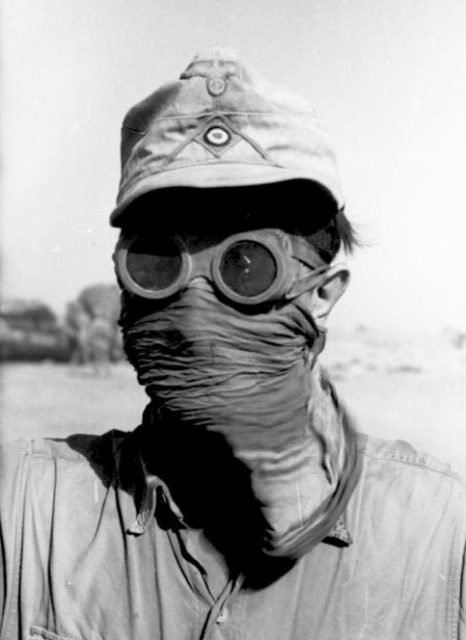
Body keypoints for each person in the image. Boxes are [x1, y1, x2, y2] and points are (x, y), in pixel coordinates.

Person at [1, 48, 465, 640]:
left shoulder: (439, 536)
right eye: (157, 260)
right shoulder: (27, 513)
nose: (195, 303)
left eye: (246, 266)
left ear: (323, 295)